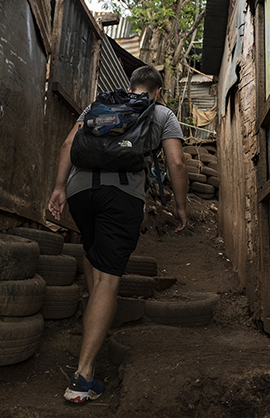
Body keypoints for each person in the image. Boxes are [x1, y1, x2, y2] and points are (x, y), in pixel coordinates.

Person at [48, 65, 188, 404]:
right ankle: (83, 378)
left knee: (92, 252)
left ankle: (92, 319)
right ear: (157, 90)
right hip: (122, 196)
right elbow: (177, 163)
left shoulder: (100, 104)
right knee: (110, 279)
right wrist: (181, 207)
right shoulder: (162, 113)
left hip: (81, 191)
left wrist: (58, 188)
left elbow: (69, 143)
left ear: (131, 85)